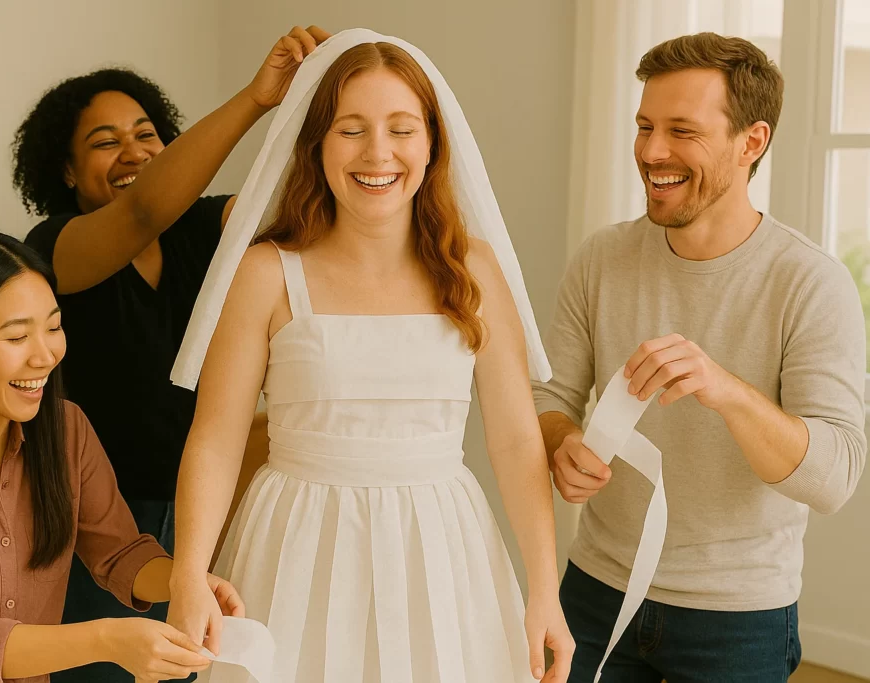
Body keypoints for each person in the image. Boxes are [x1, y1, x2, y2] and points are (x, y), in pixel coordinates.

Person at [165, 34, 575, 683]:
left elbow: (517, 439)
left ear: (432, 143)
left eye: (401, 129)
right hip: (295, 539)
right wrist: (188, 569)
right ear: (317, 146)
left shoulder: (475, 269)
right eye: (350, 129)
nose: (377, 152)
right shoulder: (267, 271)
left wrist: (545, 589)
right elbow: (214, 440)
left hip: (440, 545)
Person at [534, 33, 867, 682]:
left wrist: (727, 390)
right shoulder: (601, 259)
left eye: (682, 130)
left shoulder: (809, 282)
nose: (652, 151)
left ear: (752, 142)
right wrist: (560, 441)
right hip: (596, 589)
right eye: (644, 126)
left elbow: (832, 478)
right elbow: (550, 397)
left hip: (737, 615)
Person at [15, 25, 329, 682]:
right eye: (105, 142)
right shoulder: (54, 247)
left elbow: (309, 200)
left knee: (191, 669)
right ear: (66, 171)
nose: (133, 151)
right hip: (87, 523)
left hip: (196, 515)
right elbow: (141, 211)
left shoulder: (204, 231)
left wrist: (321, 95)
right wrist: (254, 98)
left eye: (146, 134)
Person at [0, 229, 244, 683]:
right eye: (17, 337)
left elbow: (120, 552)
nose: (46, 355)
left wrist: (186, 582)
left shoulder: (66, 431)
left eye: (54, 326)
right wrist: (108, 641)